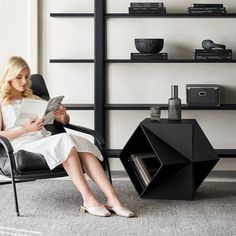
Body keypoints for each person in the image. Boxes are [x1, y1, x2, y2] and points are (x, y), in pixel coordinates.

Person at [0, 56, 134, 218]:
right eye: (19, 77)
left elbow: (62, 122)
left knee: (81, 144)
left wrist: (62, 115)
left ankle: (113, 199)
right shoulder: (2, 102)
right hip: (22, 144)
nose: (24, 82)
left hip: (43, 140)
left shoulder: (34, 98)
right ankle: (88, 199)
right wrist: (25, 129)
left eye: (27, 77)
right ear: (9, 77)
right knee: (66, 140)